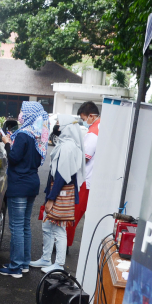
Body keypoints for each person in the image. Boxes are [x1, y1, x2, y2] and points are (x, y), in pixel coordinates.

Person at [0, 101, 49, 278]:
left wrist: (6, 142)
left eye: (22, 111)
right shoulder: (38, 137)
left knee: (17, 227)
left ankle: (15, 267)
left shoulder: (23, 135)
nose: (19, 114)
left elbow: (13, 158)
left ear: (28, 115)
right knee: (25, 225)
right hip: (31, 184)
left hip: (19, 185)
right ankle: (24, 263)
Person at [30, 116, 85, 273]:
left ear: (68, 127)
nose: (57, 127)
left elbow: (61, 176)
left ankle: (59, 264)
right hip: (60, 191)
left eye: (60, 125)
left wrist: (51, 198)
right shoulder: (69, 145)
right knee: (47, 225)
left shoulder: (67, 147)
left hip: (61, 193)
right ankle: (46, 258)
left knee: (59, 229)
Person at [67, 101, 101, 247]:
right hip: (95, 179)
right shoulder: (102, 127)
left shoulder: (93, 133)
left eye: (84, 118)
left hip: (86, 181)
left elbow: (83, 158)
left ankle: (65, 244)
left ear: (91, 116)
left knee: (73, 213)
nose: (84, 122)